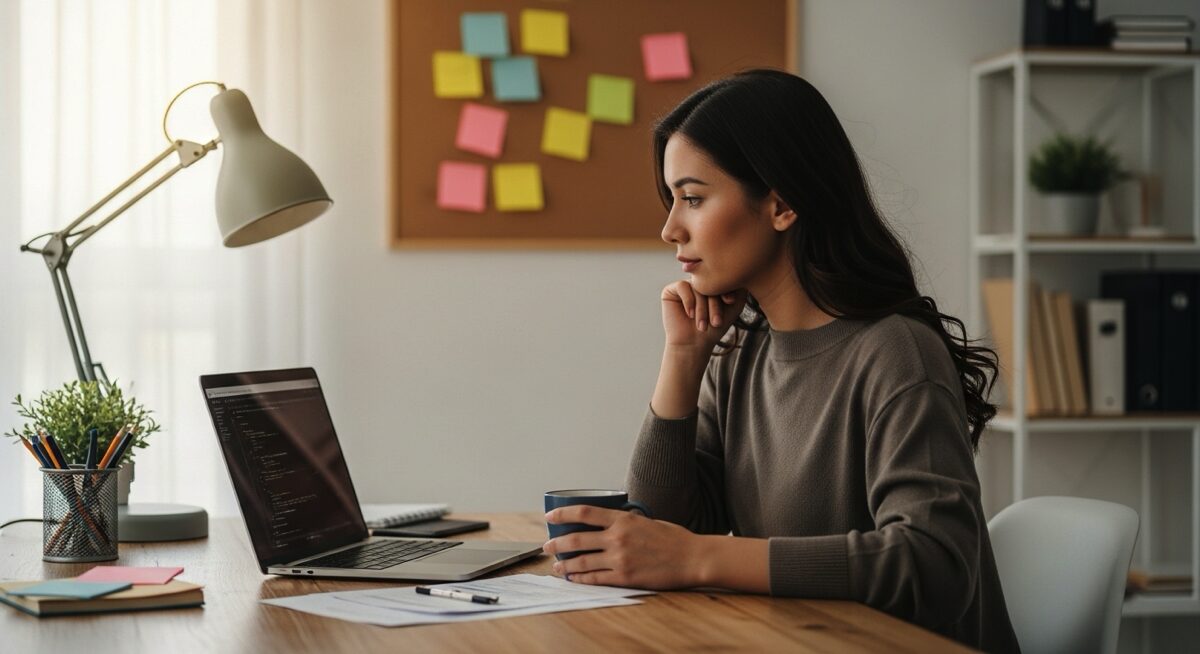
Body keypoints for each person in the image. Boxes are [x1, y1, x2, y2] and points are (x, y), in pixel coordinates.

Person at [542, 69, 1020, 652]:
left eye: (692, 198)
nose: (670, 228)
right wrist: (684, 359)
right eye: (673, 201)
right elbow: (665, 529)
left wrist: (698, 557)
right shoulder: (743, 351)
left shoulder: (896, 352)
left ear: (782, 203)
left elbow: (933, 565)